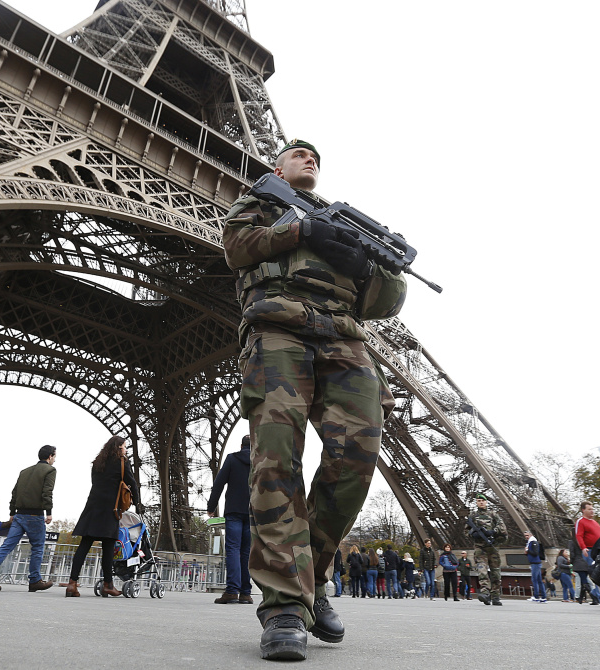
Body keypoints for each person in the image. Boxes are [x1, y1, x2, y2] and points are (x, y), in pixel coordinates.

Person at [223, 139, 407, 660]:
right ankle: (284, 604)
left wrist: (368, 267)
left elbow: (387, 302)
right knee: (276, 457)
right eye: (300, 154)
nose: (311, 160)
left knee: (357, 460)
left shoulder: (349, 225)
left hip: (345, 340)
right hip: (278, 330)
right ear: (278, 167)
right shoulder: (262, 202)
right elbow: (236, 248)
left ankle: (313, 576)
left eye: (317, 158)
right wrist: (301, 230)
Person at [64, 436, 141, 599]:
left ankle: (72, 583)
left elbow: (95, 483)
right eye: (124, 446)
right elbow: (132, 482)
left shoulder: (97, 463)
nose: (125, 449)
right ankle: (108, 585)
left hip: (93, 507)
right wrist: (138, 503)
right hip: (110, 509)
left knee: (84, 546)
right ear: (119, 447)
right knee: (108, 548)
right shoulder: (121, 462)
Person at [0, 445, 57, 592]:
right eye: (55, 456)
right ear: (50, 457)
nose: (55, 460)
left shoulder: (24, 471)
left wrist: (12, 511)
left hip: (19, 514)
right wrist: (49, 512)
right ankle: (35, 580)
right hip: (35, 515)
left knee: (6, 546)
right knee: (38, 548)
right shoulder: (50, 470)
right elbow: (47, 492)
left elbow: (14, 493)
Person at [206, 435, 253, 605]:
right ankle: (246, 593)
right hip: (252, 512)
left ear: (241, 446)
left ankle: (232, 591)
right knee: (246, 551)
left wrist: (211, 506)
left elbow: (219, 484)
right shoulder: (259, 462)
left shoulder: (232, 459)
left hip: (234, 510)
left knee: (233, 549)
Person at [469, 493, 507, 606]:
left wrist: (493, 532)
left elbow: (503, 528)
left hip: (493, 548)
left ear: (486, 502)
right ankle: (485, 593)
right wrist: (473, 534)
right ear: (476, 502)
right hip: (480, 548)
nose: (481, 502)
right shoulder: (472, 516)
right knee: (482, 570)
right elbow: (466, 531)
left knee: (495, 573)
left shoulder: (493, 515)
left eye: (483, 500)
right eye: (479, 500)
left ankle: (495, 596)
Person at [574, 501, 600, 606]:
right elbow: (579, 535)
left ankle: (596, 594)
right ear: (583, 510)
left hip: (599, 550)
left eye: (592, 509)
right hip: (589, 550)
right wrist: (583, 548)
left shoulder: (595, 522)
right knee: (597, 573)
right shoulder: (581, 521)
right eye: (589, 509)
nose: (592, 511)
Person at [525, 531, 546, 603]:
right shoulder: (531, 542)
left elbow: (535, 552)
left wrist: (528, 550)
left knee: (534, 580)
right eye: (525, 535)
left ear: (531, 535)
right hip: (535, 562)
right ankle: (543, 596)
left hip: (535, 563)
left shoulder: (533, 542)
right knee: (539, 580)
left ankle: (536, 596)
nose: (526, 537)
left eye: (527, 535)